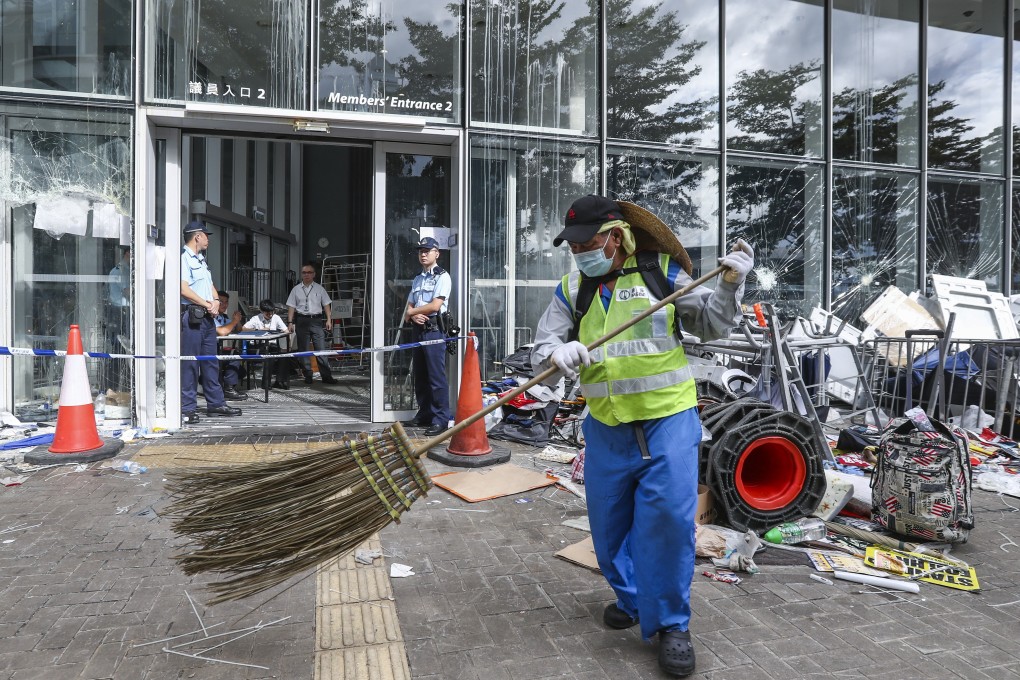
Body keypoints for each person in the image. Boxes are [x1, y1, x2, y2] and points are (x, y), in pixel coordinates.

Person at [531, 195, 753, 678]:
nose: (580, 252)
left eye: (588, 243)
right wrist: (556, 355)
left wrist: (730, 285)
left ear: (616, 237)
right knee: (609, 531)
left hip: (667, 421)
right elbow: (542, 351)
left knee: (667, 526)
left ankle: (672, 626)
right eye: (573, 246)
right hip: (607, 425)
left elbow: (712, 325)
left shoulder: (663, 275)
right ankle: (632, 601)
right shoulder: (573, 289)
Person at [180, 220, 242, 425]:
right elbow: (183, 289)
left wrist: (215, 301)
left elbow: (210, 285)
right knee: (190, 363)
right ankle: (187, 408)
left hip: (207, 318)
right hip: (192, 316)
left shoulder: (201, 260)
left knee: (211, 362)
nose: (208, 239)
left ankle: (216, 403)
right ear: (197, 236)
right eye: (206, 235)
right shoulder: (183, 258)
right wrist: (207, 304)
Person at [402, 237, 453, 437]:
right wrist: (412, 315)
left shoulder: (443, 277)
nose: (423, 254)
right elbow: (409, 306)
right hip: (418, 330)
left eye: (427, 250)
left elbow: (434, 306)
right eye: (421, 251)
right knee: (420, 375)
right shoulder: (417, 279)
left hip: (433, 330)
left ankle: (441, 419)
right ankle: (424, 414)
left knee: (436, 377)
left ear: (436, 253)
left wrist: (412, 313)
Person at [286, 262, 338, 385]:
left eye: (309, 272)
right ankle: (308, 374)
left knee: (321, 348)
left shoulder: (319, 288)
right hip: (301, 320)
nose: (306, 275)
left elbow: (326, 305)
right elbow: (291, 307)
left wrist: (329, 320)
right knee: (303, 349)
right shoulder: (296, 289)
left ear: (314, 274)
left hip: (316, 320)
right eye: (304, 272)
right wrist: (290, 322)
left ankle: (326, 376)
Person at [244, 299, 290, 389]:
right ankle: (266, 383)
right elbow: (243, 328)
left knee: (285, 356)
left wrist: (279, 332)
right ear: (261, 311)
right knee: (269, 356)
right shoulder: (256, 319)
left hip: (273, 345)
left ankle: (279, 381)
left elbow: (286, 331)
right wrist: (258, 330)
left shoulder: (276, 318)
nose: (270, 315)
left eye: (271, 313)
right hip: (258, 346)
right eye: (267, 313)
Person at [213, 291, 247, 401]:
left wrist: (237, 320)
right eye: (221, 302)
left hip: (219, 349)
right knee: (234, 356)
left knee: (241, 369)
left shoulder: (223, 317)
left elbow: (238, 329)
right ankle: (228, 389)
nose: (224, 304)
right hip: (209, 351)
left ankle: (227, 386)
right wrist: (234, 321)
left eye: (226, 302)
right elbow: (223, 332)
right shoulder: (211, 316)